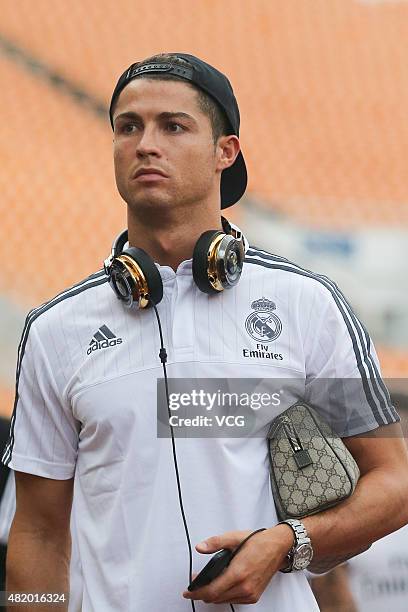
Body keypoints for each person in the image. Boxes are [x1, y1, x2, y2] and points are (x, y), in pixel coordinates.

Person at [2, 52, 408, 612]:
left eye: (173, 126)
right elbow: (39, 534)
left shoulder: (305, 304)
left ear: (226, 151)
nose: (146, 143)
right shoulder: (54, 331)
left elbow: (395, 482)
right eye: (128, 126)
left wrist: (289, 543)